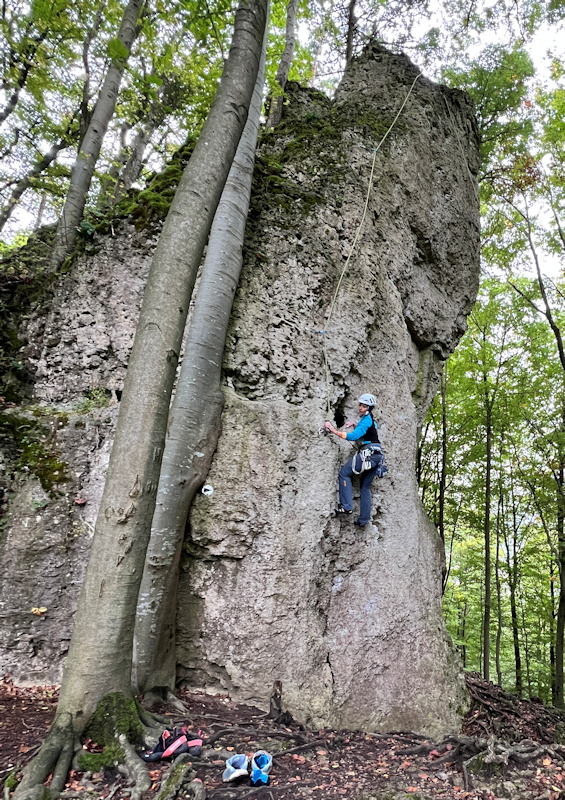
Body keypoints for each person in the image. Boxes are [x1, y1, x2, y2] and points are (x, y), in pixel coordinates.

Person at [324, 393, 385, 527]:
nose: (360, 408)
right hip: (377, 456)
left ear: (369, 408)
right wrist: (355, 424)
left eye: (364, 406)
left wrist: (333, 430)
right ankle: (364, 520)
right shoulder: (370, 420)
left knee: (344, 474)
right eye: (360, 405)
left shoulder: (366, 420)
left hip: (368, 453)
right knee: (365, 487)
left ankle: (346, 506)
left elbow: (354, 436)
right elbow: (368, 429)